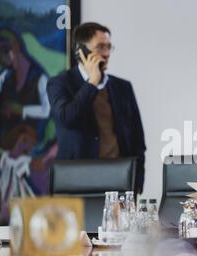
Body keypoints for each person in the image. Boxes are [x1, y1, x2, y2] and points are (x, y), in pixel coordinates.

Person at [47, 22, 146, 192]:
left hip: (119, 180)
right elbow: (67, 118)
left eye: (109, 47)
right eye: (100, 47)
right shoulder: (59, 83)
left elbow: (137, 140)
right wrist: (91, 83)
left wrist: (137, 184)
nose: (106, 53)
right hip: (76, 182)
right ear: (81, 51)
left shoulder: (123, 87)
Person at [0, 27, 57, 223]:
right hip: (9, 139)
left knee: (16, 160)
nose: (0, 59)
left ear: (17, 47)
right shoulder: (3, 78)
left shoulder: (40, 79)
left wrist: (21, 110)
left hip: (34, 140)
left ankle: (9, 212)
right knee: (7, 160)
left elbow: (46, 110)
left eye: (4, 52)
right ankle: (1, 212)